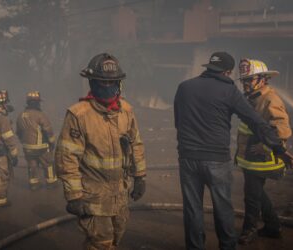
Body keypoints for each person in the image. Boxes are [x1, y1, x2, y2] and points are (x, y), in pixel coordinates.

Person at [174, 51, 288, 250]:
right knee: (223, 208)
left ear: (208, 67)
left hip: (188, 158)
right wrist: (278, 147)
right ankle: (227, 247)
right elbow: (255, 121)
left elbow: (178, 121)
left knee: (192, 209)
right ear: (228, 72)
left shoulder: (184, 87)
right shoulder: (229, 91)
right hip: (217, 160)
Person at [55, 53, 146, 250]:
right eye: (101, 82)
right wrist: (74, 196)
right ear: (91, 83)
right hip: (93, 198)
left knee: (116, 238)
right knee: (100, 244)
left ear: (119, 83)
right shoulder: (78, 114)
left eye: (111, 82)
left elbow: (136, 144)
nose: (106, 87)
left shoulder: (126, 111)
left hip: (120, 195)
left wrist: (139, 177)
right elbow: (67, 158)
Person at [236, 59, 292, 244]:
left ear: (262, 79)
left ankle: (249, 230)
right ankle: (273, 227)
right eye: (243, 80)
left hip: (261, 159)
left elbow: (283, 129)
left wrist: (267, 146)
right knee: (258, 193)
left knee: (251, 196)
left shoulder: (270, 99)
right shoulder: (253, 97)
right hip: (250, 158)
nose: (245, 83)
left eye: (249, 80)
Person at [16, 91, 57, 190]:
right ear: (38, 103)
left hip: (27, 147)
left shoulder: (21, 115)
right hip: (41, 146)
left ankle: (34, 183)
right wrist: (52, 142)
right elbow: (48, 130)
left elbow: (18, 132)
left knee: (32, 165)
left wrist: (23, 142)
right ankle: (51, 182)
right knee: (49, 163)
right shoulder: (40, 115)